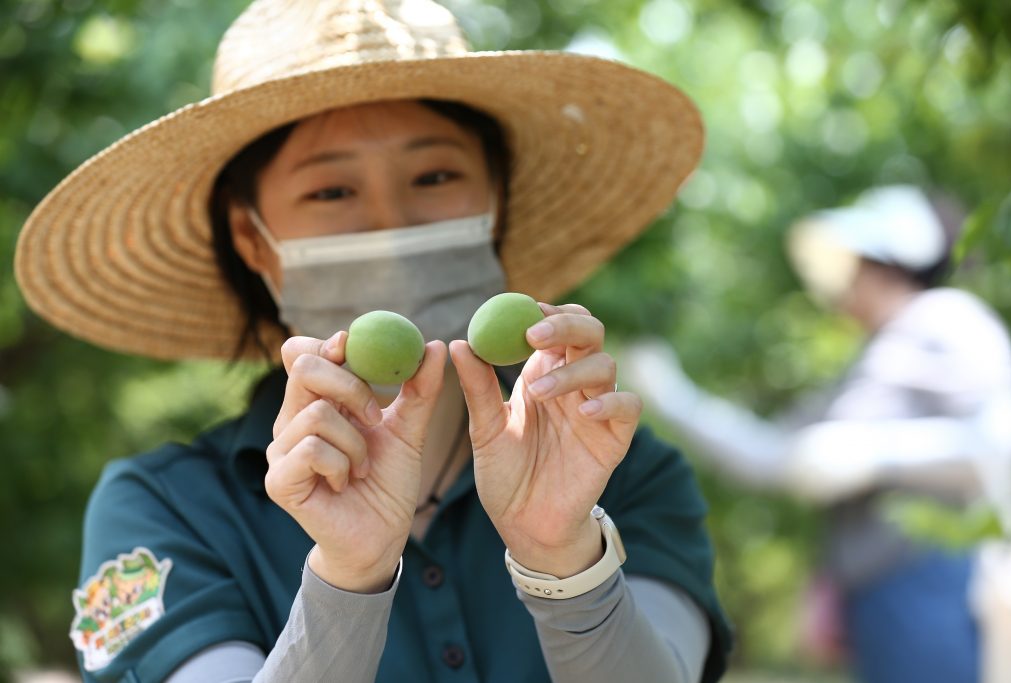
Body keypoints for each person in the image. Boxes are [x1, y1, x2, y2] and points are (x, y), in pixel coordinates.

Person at [14, 1, 733, 681]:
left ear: (495, 202)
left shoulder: (620, 473)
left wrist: (564, 556)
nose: (390, 224)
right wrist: (346, 576)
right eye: (331, 191)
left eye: (436, 175)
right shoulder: (163, 508)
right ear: (252, 239)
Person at [623, 185, 1011, 683]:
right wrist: (675, 398)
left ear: (884, 265)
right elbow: (775, 456)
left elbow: (1003, 438)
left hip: (939, 576)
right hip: (883, 591)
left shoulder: (948, 318)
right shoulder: (871, 361)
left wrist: (878, 456)